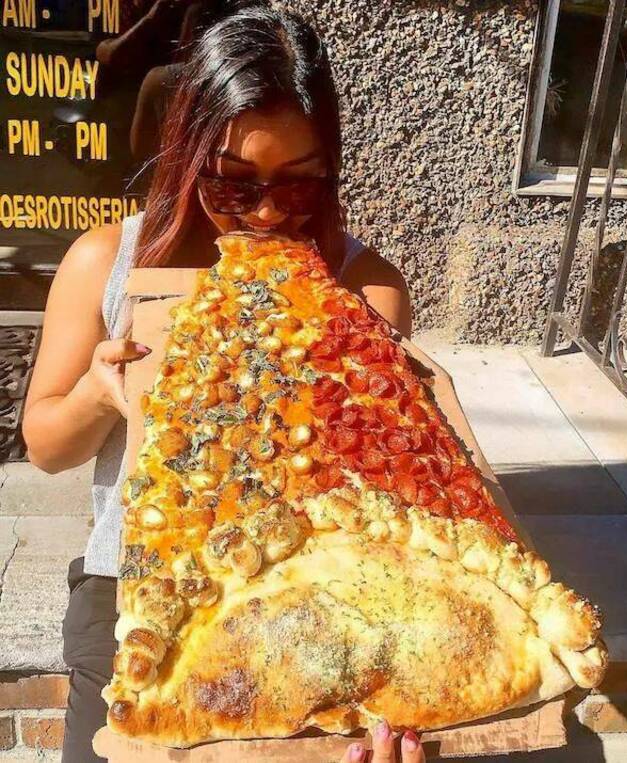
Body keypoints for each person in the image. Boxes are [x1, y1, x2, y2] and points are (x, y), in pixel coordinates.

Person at [22, 2, 456, 761]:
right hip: (132, 582)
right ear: (187, 158)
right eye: (232, 185)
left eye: (300, 186)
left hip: (310, 590)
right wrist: (96, 391)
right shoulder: (105, 262)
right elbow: (46, 447)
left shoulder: (367, 286)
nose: (266, 213)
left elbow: (381, 501)